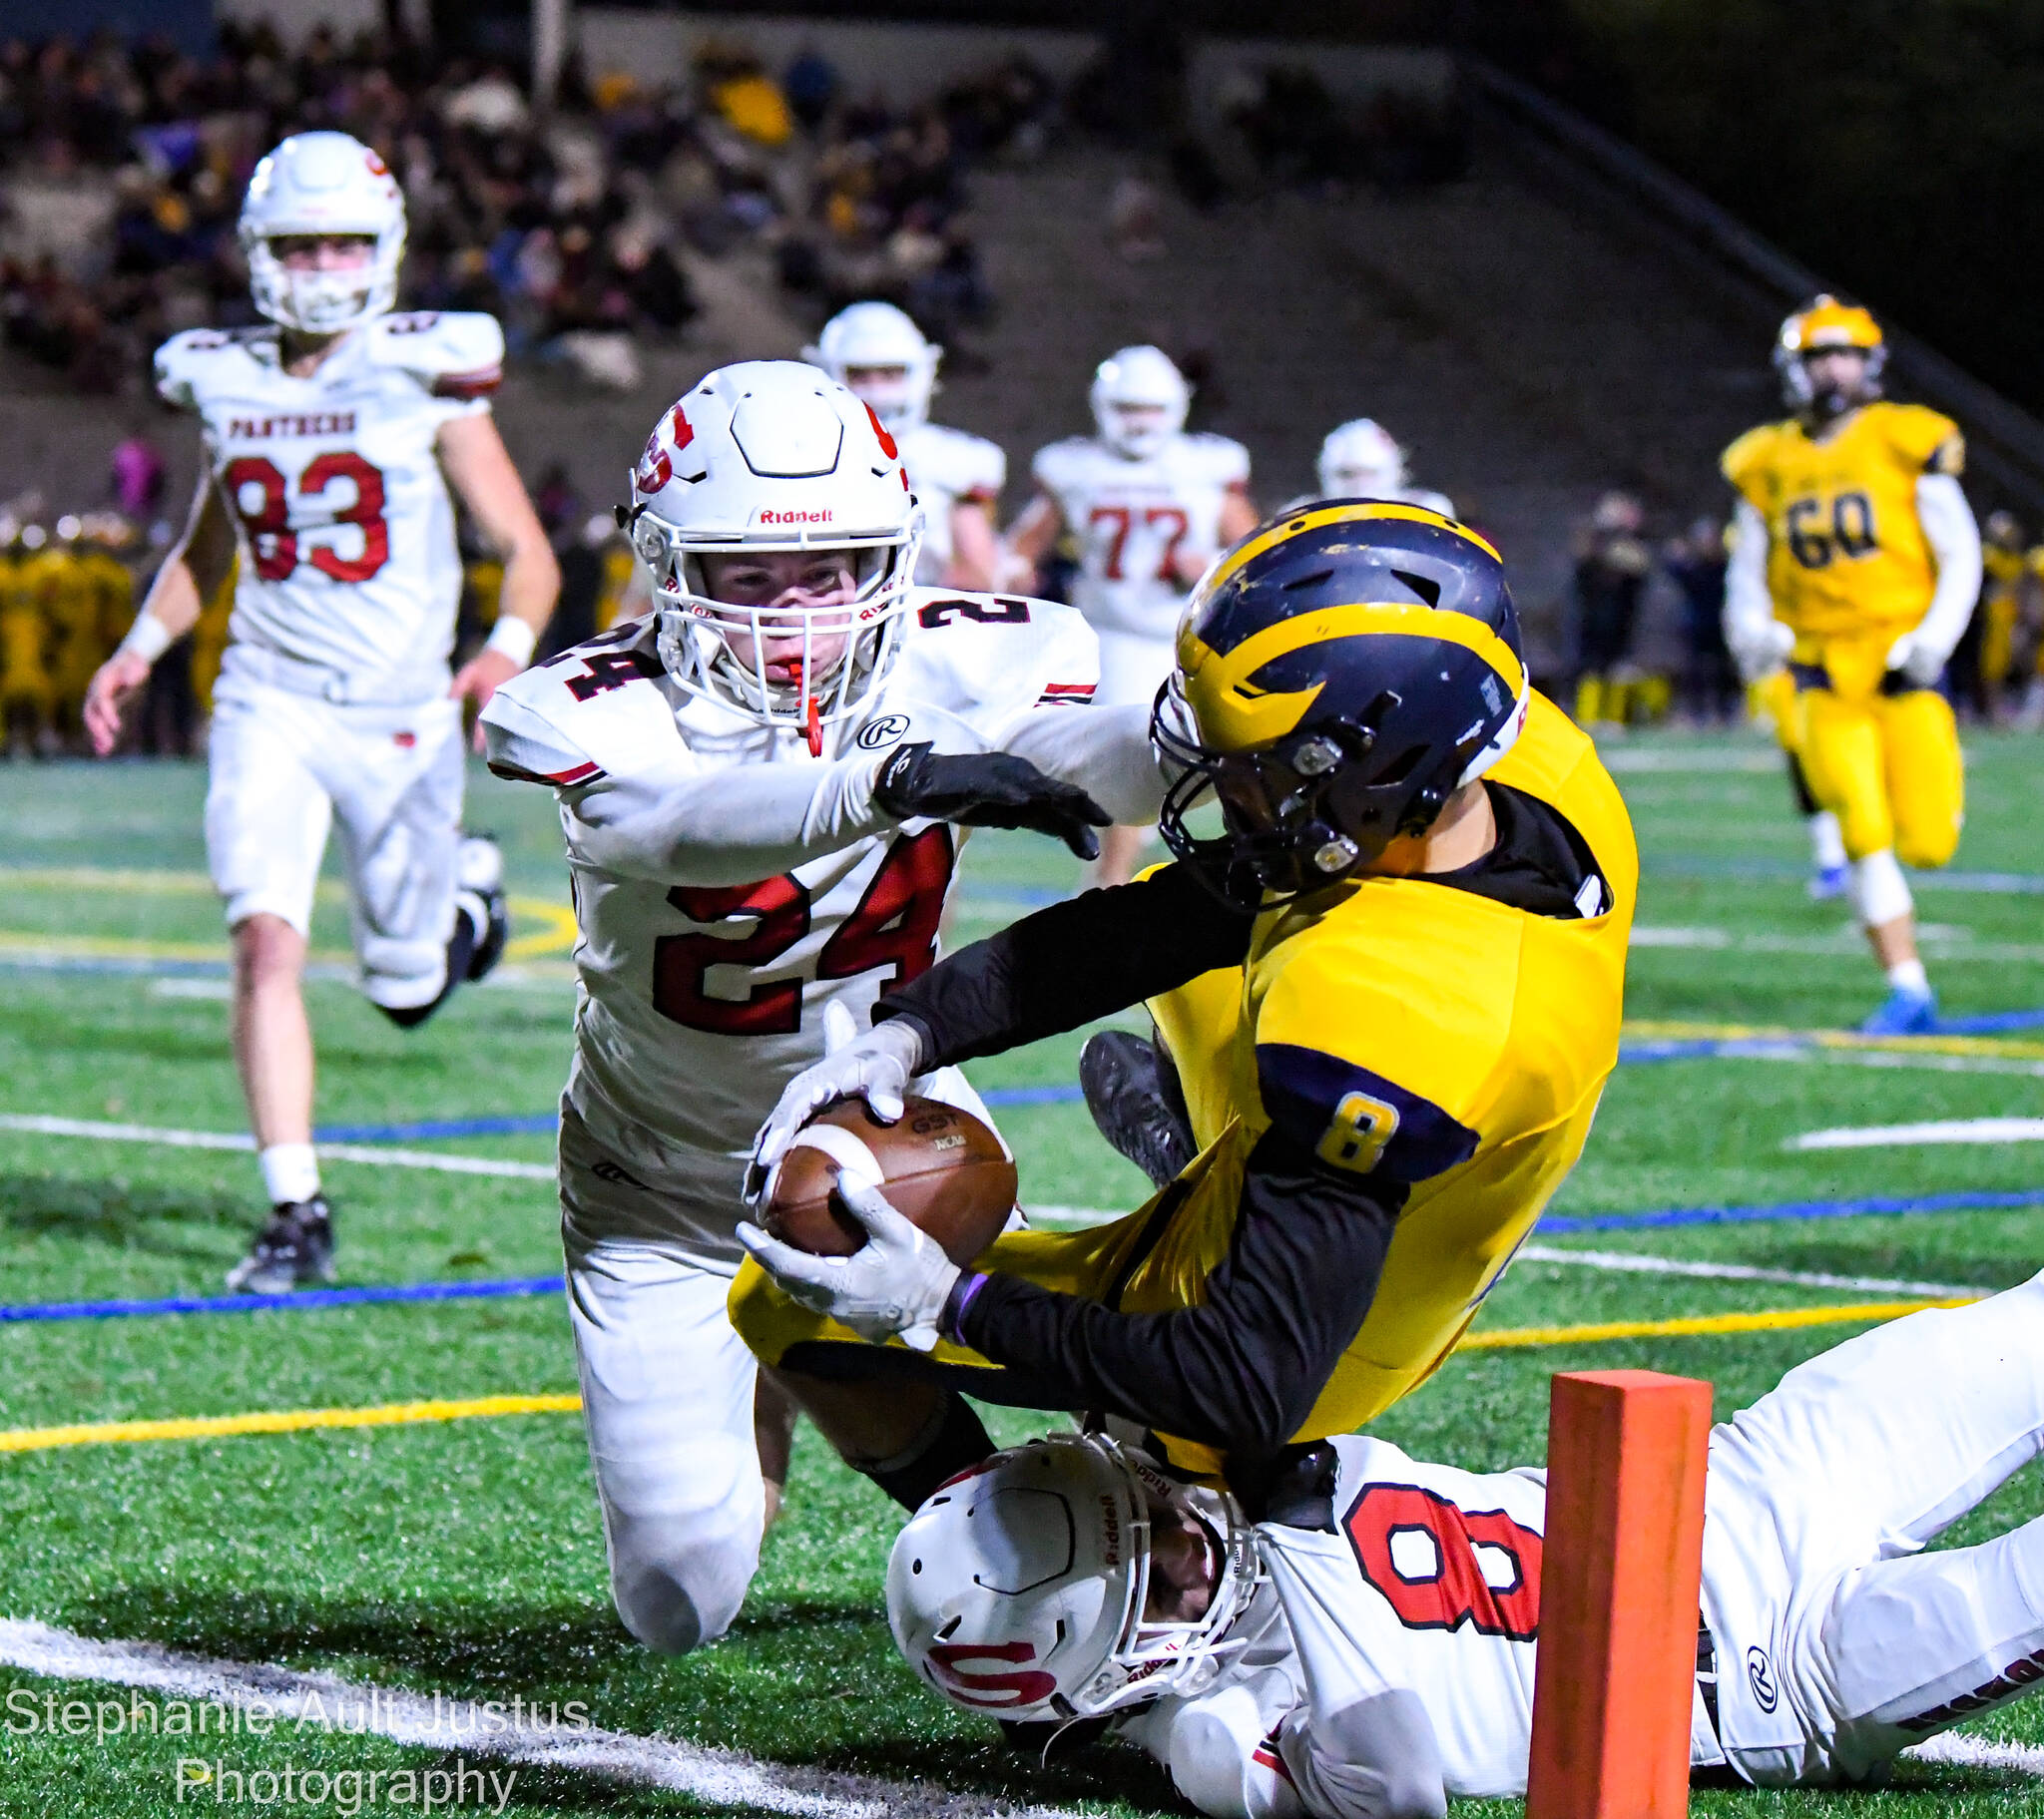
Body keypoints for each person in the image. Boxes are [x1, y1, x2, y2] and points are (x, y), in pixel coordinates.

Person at [734, 502, 1635, 1518]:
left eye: (1255, 771)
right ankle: (1236, 1149)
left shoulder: (1388, 1012)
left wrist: (947, 1301)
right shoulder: (1509, 765)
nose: (1222, 788)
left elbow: (1243, 1378)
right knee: (1211, 924)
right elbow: (1155, 925)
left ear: (1380, 771)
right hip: (1388, 1115)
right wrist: (916, 1026)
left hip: (1314, 1335)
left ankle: (1021, 1524)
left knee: (791, 1287)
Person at [478, 359, 1170, 1661]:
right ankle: (787, 1350)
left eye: (833, 567)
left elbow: (1093, 753)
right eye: (749, 575)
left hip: (878, 1114)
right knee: (681, 1601)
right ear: (667, 564)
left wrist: (1200, 738)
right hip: (655, 1180)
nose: (795, 612)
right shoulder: (594, 709)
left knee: (1104, 1352)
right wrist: (891, 778)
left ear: (892, 551)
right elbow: (676, 822)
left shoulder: (974, 649)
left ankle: (1135, 1523)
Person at [890, 1277, 2044, 1815]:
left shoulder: (1200, 1468)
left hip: (1746, 1475)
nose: (1183, 1525)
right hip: (1776, 1671)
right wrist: (1298, 1536)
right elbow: (1395, 1791)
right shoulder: (1213, 1730)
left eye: (1138, 1501)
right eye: (1155, 1558)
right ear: (1101, 1665)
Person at [81, 131, 560, 1293]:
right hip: (268, 698)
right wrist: (140, 645)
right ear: (256, 252)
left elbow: (527, 554)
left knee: (403, 991)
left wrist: (501, 653)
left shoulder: (420, 372)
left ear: (386, 248)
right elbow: (208, 541)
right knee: (264, 940)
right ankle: (296, 1202)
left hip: (399, 709)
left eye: (344, 239)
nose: (322, 263)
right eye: (300, 243)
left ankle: (463, 896)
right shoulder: (222, 375)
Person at [1721, 295, 1980, 1035]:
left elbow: (1958, 554)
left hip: (1903, 669)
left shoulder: (1905, 439)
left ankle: (1907, 975)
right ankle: (1908, 987)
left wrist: (1934, 638)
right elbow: (1750, 565)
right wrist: (1749, 627)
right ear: (1794, 369)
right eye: (1819, 356)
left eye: (1846, 354)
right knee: (1862, 831)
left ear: (1870, 363)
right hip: (1821, 672)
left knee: (1930, 841)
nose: (1834, 368)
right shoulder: (1766, 460)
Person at [1006, 345, 1262, 885]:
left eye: (1149, 409)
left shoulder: (1206, 469)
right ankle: (1108, 888)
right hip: (1113, 636)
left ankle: (1124, 885)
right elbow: (1024, 547)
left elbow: (1252, 555)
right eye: (1128, 409)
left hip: (1190, 635)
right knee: (1133, 770)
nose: (1139, 422)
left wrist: (1211, 565)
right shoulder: (1077, 468)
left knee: (1208, 764)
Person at [804, 300, 1006, 594]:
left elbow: (975, 576)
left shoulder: (958, 460)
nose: (876, 389)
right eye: (860, 374)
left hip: (921, 608)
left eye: (890, 373)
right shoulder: (798, 452)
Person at [1570, 491, 1653, 727]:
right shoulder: (1594, 543)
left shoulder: (1631, 542)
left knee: (1618, 669)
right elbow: (1585, 570)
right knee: (1592, 669)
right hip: (1594, 616)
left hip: (1620, 617)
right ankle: (1588, 718)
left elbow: (1639, 569)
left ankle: (1614, 718)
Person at [1307, 419, 1452, 517]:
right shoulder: (1302, 514)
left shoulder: (1427, 509)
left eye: (1369, 473)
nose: (1359, 485)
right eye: (1348, 474)